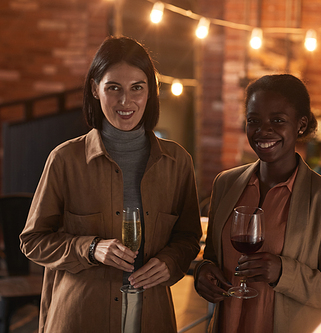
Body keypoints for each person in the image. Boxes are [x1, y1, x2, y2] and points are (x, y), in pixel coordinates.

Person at [20, 36, 202, 332]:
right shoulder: (65, 159)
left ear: (151, 91)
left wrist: (170, 261)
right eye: (113, 88)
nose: (125, 101)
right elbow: (33, 242)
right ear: (95, 89)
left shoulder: (177, 161)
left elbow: (189, 237)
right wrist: (90, 248)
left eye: (137, 88)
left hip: (151, 316)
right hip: (79, 316)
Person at [194, 74, 321, 333]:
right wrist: (203, 272)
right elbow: (212, 258)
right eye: (253, 121)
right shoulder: (225, 184)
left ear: (300, 125)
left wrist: (284, 273)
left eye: (277, 120)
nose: (263, 130)